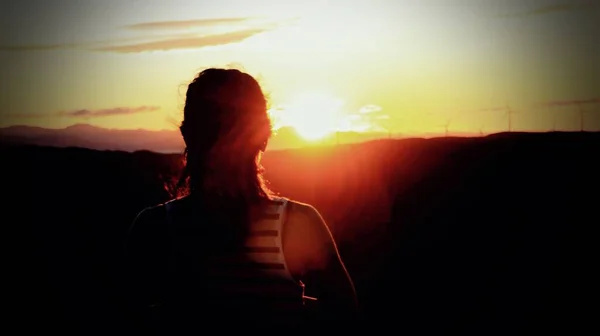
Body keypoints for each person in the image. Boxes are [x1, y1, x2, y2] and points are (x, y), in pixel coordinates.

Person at [125, 68, 358, 334]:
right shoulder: (299, 222)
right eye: (215, 126)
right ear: (264, 136)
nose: (226, 141)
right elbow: (345, 319)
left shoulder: (153, 227)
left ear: (186, 133)